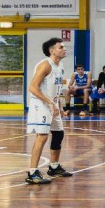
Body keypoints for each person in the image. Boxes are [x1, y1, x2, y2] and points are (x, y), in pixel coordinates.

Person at [25, 37, 73, 184]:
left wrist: (60, 106)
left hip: (53, 104)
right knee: (42, 136)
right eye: (61, 47)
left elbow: (56, 89)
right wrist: (51, 103)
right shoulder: (45, 65)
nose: (64, 49)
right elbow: (32, 87)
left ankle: (54, 167)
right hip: (41, 104)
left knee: (58, 134)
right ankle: (32, 172)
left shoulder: (60, 65)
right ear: (52, 51)